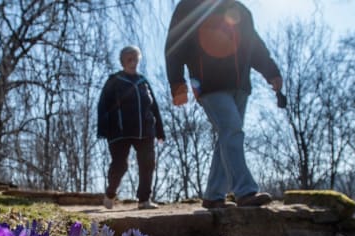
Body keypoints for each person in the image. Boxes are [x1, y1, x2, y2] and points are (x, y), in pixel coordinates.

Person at [165, 0, 283, 209]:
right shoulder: (189, 7)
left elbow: (254, 46)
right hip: (208, 86)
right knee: (231, 129)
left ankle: (213, 195)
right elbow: (175, 45)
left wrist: (271, 71)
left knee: (227, 137)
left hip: (240, 86)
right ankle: (245, 191)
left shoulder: (241, 11)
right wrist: (177, 83)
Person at [97, 45, 166, 210]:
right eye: (129, 59)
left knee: (147, 162)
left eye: (135, 59)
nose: (133, 62)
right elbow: (102, 105)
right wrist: (103, 129)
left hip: (145, 130)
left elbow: (154, 106)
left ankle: (144, 200)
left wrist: (159, 131)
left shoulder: (143, 82)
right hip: (120, 131)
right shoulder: (114, 81)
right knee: (120, 165)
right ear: (122, 62)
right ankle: (111, 193)